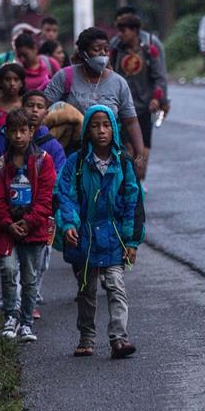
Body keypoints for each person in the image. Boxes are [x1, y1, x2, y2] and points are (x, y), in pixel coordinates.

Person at [54, 105, 143, 359]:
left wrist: (132, 240)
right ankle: (86, 337)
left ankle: (119, 338)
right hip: (86, 238)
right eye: (95, 125)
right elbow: (66, 196)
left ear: (113, 128)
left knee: (116, 286)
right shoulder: (77, 162)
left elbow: (133, 202)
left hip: (114, 237)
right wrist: (69, 224)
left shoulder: (122, 161)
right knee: (87, 290)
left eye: (106, 125)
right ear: (87, 130)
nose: (101, 130)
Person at [0, 90, 67, 320]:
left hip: (38, 222)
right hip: (7, 222)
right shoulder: (4, 159)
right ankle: (11, 312)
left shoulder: (49, 152)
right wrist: (3, 219)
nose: (18, 136)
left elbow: (52, 188)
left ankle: (26, 311)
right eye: (30, 105)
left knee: (34, 269)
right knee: (9, 268)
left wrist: (32, 219)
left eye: (39, 106)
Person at [43, 27, 147, 175]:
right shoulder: (64, 77)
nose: (103, 54)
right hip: (72, 152)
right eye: (97, 49)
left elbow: (130, 121)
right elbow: (44, 108)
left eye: (106, 49)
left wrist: (139, 152)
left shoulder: (118, 83)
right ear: (83, 53)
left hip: (108, 153)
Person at [110, 12, 168, 181]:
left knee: (144, 147)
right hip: (122, 108)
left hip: (144, 107)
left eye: (124, 31)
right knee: (127, 147)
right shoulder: (115, 51)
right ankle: (130, 182)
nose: (120, 35)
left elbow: (159, 77)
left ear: (135, 31)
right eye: (119, 31)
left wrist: (157, 99)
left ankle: (140, 180)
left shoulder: (150, 50)